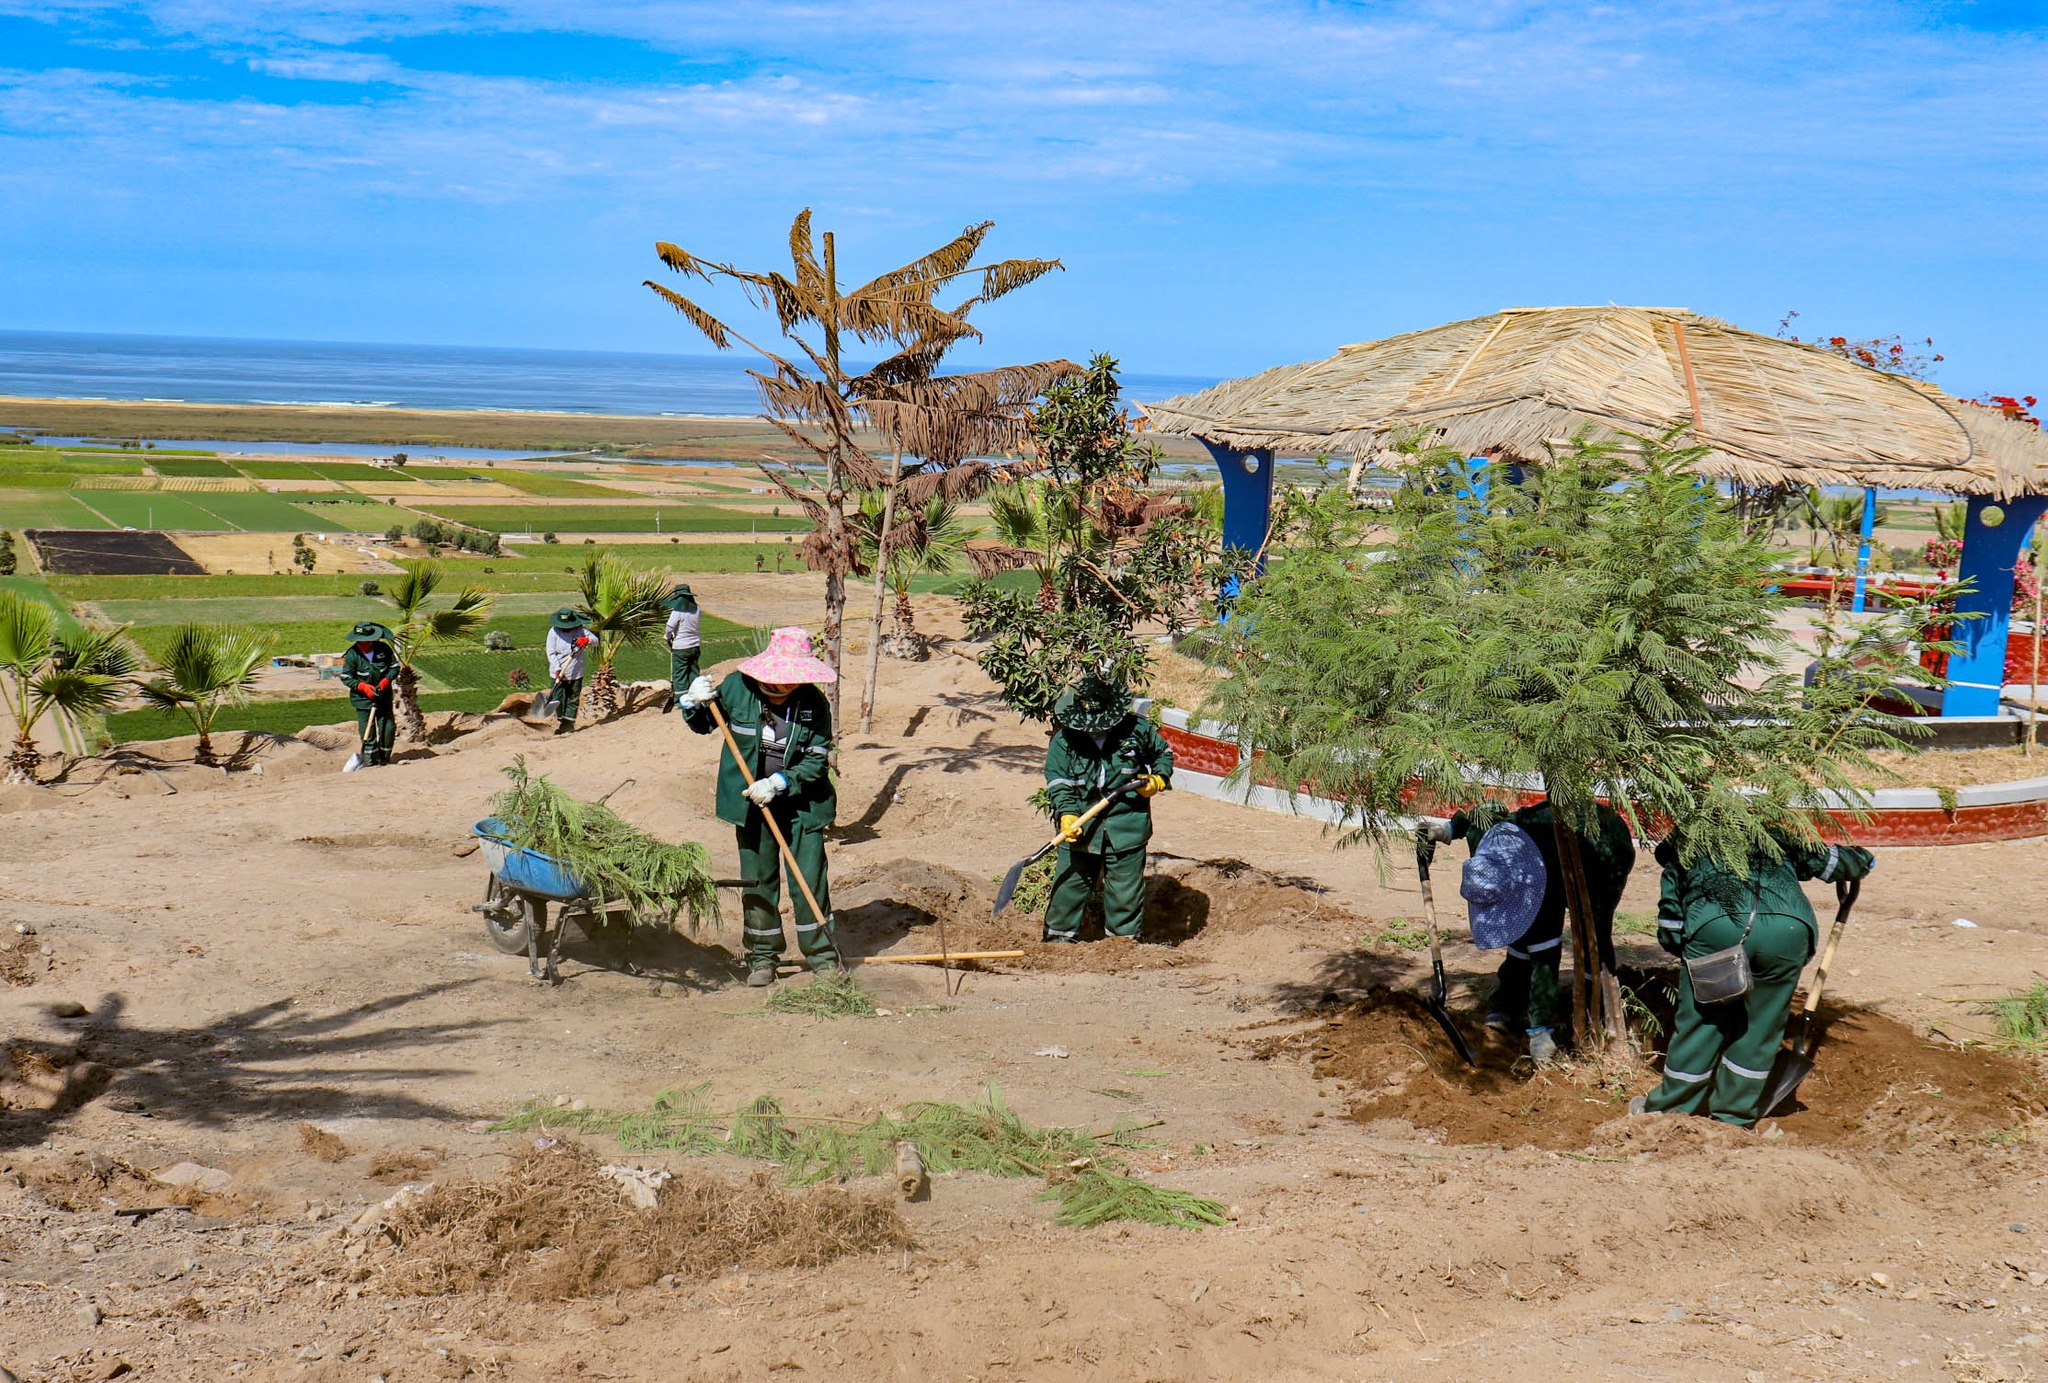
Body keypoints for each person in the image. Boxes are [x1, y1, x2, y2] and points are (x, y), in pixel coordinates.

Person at [1635, 833, 1873, 1127]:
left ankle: (1669, 1112)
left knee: (1703, 1022)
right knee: (1761, 1026)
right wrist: (1862, 858)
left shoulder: (1687, 844)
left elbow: (1670, 928)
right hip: (1787, 932)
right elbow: (1833, 861)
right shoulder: (1774, 838)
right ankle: (1733, 1117)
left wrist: (1693, 956)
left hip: (1717, 928)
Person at [679, 626, 840, 986]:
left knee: (809, 880)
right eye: (777, 678)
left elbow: (817, 757)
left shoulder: (815, 703)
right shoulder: (738, 687)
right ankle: (762, 958)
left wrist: (781, 782)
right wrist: (691, 703)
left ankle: (823, 956)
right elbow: (705, 723)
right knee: (758, 880)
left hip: (802, 806)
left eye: (790, 680)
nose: (781, 686)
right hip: (751, 805)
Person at [1425, 797, 1635, 1064]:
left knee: (1591, 937)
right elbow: (1486, 812)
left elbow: (1546, 964)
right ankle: (1506, 1004)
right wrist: (1448, 830)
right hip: (1548, 848)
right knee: (1523, 938)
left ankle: (1597, 1008)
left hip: (1602, 851)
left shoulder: (1539, 889)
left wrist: (1539, 1031)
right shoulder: (1487, 843)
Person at [1041, 675, 1174, 943]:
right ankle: (1057, 943)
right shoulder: (1064, 742)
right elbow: (1059, 783)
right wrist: (1067, 814)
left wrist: (1158, 779)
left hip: (1127, 827)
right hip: (1081, 827)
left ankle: (1121, 947)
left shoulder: (1137, 730)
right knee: (1068, 887)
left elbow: (1163, 754)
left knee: (1125, 892)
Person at [341, 621, 398, 768]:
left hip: (383, 698)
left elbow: (394, 667)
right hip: (362, 700)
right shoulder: (352, 655)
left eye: (364, 642)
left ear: (372, 640)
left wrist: (385, 681)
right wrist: (363, 686)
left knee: (388, 728)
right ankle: (370, 762)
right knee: (367, 732)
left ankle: (385, 759)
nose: (361, 645)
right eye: (358, 642)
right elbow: (346, 677)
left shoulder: (384, 650)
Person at [544, 608, 593, 736]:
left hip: (575, 671)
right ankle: (561, 719)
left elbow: (596, 641)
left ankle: (568, 725)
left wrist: (587, 640)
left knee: (572, 699)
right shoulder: (553, 632)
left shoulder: (581, 630)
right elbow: (550, 652)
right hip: (558, 671)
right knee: (556, 698)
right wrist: (557, 668)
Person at [660, 583, 701, 713]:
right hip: (695, 645)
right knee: (693, 671)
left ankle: (681, 700)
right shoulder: (697, 609)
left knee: (679, 674)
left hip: (680, 647)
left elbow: (669, 627)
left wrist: (667, 636)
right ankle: (696, 697)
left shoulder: (677, 611)